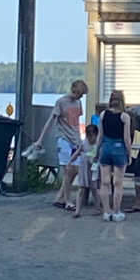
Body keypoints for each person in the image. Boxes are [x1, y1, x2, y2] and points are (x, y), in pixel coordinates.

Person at [32, 79, 88, 210]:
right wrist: (40, 140)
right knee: (68, 170)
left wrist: (81, 139)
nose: (81, 97)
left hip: (76, 139)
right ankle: (67, 201)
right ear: (75, 91)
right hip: (64, 139)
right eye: (80, 94)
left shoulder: (79, 103)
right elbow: (50, 121)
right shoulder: (61, 102)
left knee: (76, 169)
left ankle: (60, 197)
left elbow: (76, 121)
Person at [97, 90, 131, 222]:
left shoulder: (103, 114)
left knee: (105, 182)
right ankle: (116, 212)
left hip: (105, 148)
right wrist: (128, 153)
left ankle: (106, 212)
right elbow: (126, 138)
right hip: (119, 149)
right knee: (118, 183)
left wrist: (96, 151)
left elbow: (100, 136)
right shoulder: (124, 117)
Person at [71, 124, 100, 218]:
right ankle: (77, 210)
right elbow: (78, 152)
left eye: (92, 136)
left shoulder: (98, 144)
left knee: (94, 189)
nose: (91, 138)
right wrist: (71, 160)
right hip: (84, 168)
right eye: (89, 136)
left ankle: (98, 208)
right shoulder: (84, 143)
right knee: (81, 189)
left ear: (96, 135)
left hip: (94, 169)